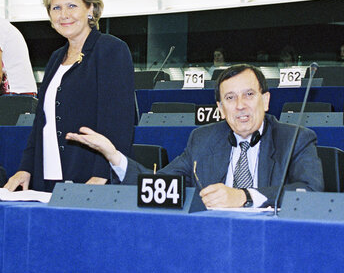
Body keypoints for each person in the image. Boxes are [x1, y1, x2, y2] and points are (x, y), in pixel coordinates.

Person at [66, 64, 324, 208]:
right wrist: (114, 157)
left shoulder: (295, 139)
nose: (240, 105)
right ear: (221, 109)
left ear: (266, 100)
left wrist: (244, 196)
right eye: (230, 98)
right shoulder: (202, 139)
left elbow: (310, 192)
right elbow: (161, 186)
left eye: (249, 95)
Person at [4, 0, 135, 191]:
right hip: (46, 177)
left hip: (90, 178)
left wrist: (102, 174)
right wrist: (25, 168)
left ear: (91, 9)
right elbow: (41, 122)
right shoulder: (56, 57)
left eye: (72, 6)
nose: (64, 15)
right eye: (56, 8)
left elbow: (118, 121)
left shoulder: (111, 50)